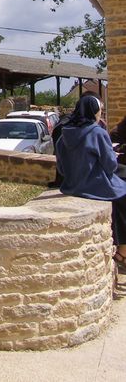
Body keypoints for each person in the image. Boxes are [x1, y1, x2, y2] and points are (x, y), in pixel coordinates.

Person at [55, 94, 126, 273]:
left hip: (71, 185)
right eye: (99, 111)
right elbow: (110, 165)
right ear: (94, 111)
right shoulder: (97, 132)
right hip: (95, 185)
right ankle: (123, 250)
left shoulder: (64, 134)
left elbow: (61, 169)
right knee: (123, 195)